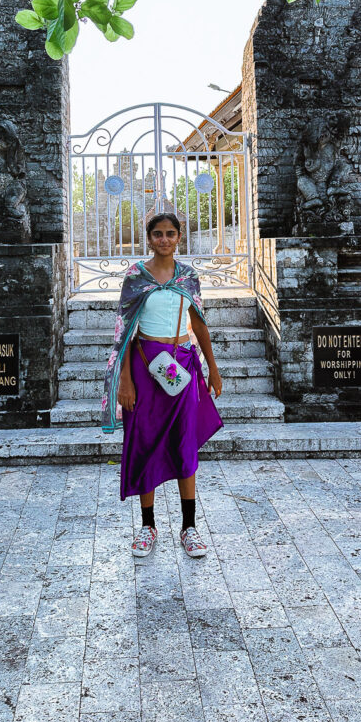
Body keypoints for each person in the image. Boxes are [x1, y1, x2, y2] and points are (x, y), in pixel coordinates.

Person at [101, 211, 224, 558]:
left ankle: (190, 528)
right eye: (158, 234)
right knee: (144, 442)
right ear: (149, 238)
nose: (164, 239)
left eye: (171, 233)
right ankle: (147, 526)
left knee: (185, 443)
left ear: (179, 237)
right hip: (144, 367)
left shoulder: (189, 276)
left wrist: (212, 368)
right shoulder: (136, 277)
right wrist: (125, 379)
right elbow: (124, 330)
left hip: (181, 366)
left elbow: (199, 323)